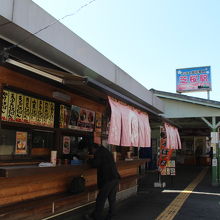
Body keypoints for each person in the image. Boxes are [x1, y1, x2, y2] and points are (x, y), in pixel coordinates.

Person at [84, 144, 120, 220]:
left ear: (94, 148)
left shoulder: (99, 152)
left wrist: (88, 160)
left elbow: (95, 164)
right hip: (115, 177)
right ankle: (112, 215)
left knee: (101, 199)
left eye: (91, 151)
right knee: (112, 198)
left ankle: (95, 217)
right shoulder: (106, 151)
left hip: (107, 179)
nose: (92, 152)